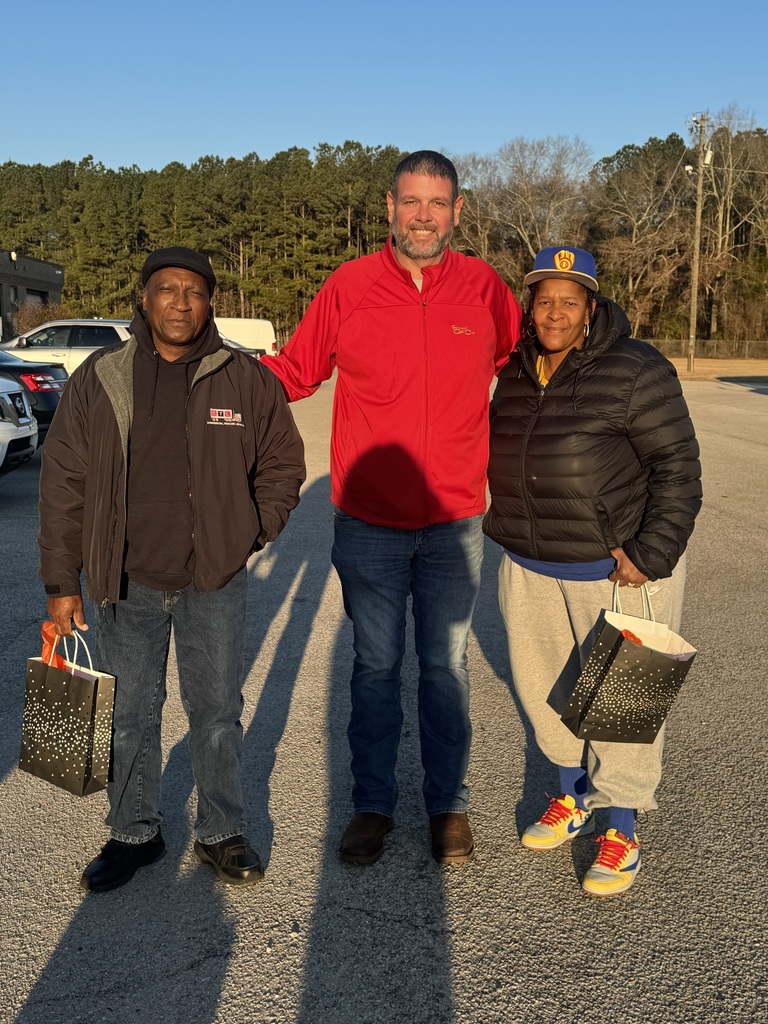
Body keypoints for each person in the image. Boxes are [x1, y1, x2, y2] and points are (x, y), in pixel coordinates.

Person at [262, 151, 521, 866]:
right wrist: (209, 375)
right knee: (375, 669)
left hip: (454, 522)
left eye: (439, 203)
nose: (425, 216)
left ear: (459, 212)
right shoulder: (349, 287)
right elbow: (295, 372)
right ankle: (373, 804)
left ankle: (448, 805)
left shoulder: (484, 290)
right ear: (389, 207)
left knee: (446, 668)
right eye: (412, 201)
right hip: (369, 523)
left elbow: (534, 368)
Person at [39, 246, 305, 892]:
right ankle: (134, 831)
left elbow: (283, 465)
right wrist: (60, 583)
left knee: (216, 711)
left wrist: (249, 530)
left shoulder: (243, 379)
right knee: (130, 713)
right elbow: (63, 481)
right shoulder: (102, 377)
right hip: (125, 584)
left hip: (211, 582)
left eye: (194, 291)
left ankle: (220, 831)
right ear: (144, 298)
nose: (180, 302)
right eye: (167, 289)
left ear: (210, 302)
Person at [484, 246, 702, 895]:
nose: (554, 312)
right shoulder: (517, 371)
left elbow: (679, 472)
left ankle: (623, 829)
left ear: (592, 308)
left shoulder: (636, 369)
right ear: (530, 305)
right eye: (543, 298)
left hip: (619, 571)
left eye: (569, 300)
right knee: (549, 695)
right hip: (531, 566)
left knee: (624, 703)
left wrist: (651, 553)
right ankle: (573, 796)